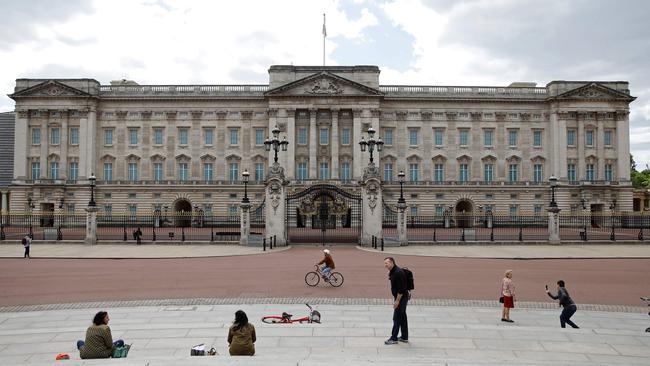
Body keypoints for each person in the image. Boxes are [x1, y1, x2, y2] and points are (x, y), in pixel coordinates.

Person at [384, 257, 409, 345]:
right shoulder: (393, 271)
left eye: (386, 263)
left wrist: (397, 301)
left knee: (396, 318)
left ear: (392, 262)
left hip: (401, 297)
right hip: (401, 297)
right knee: (402, 317)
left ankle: (394, 338)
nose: (385, 265)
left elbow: (401, 290)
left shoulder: (398, 273)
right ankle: (404, 337)